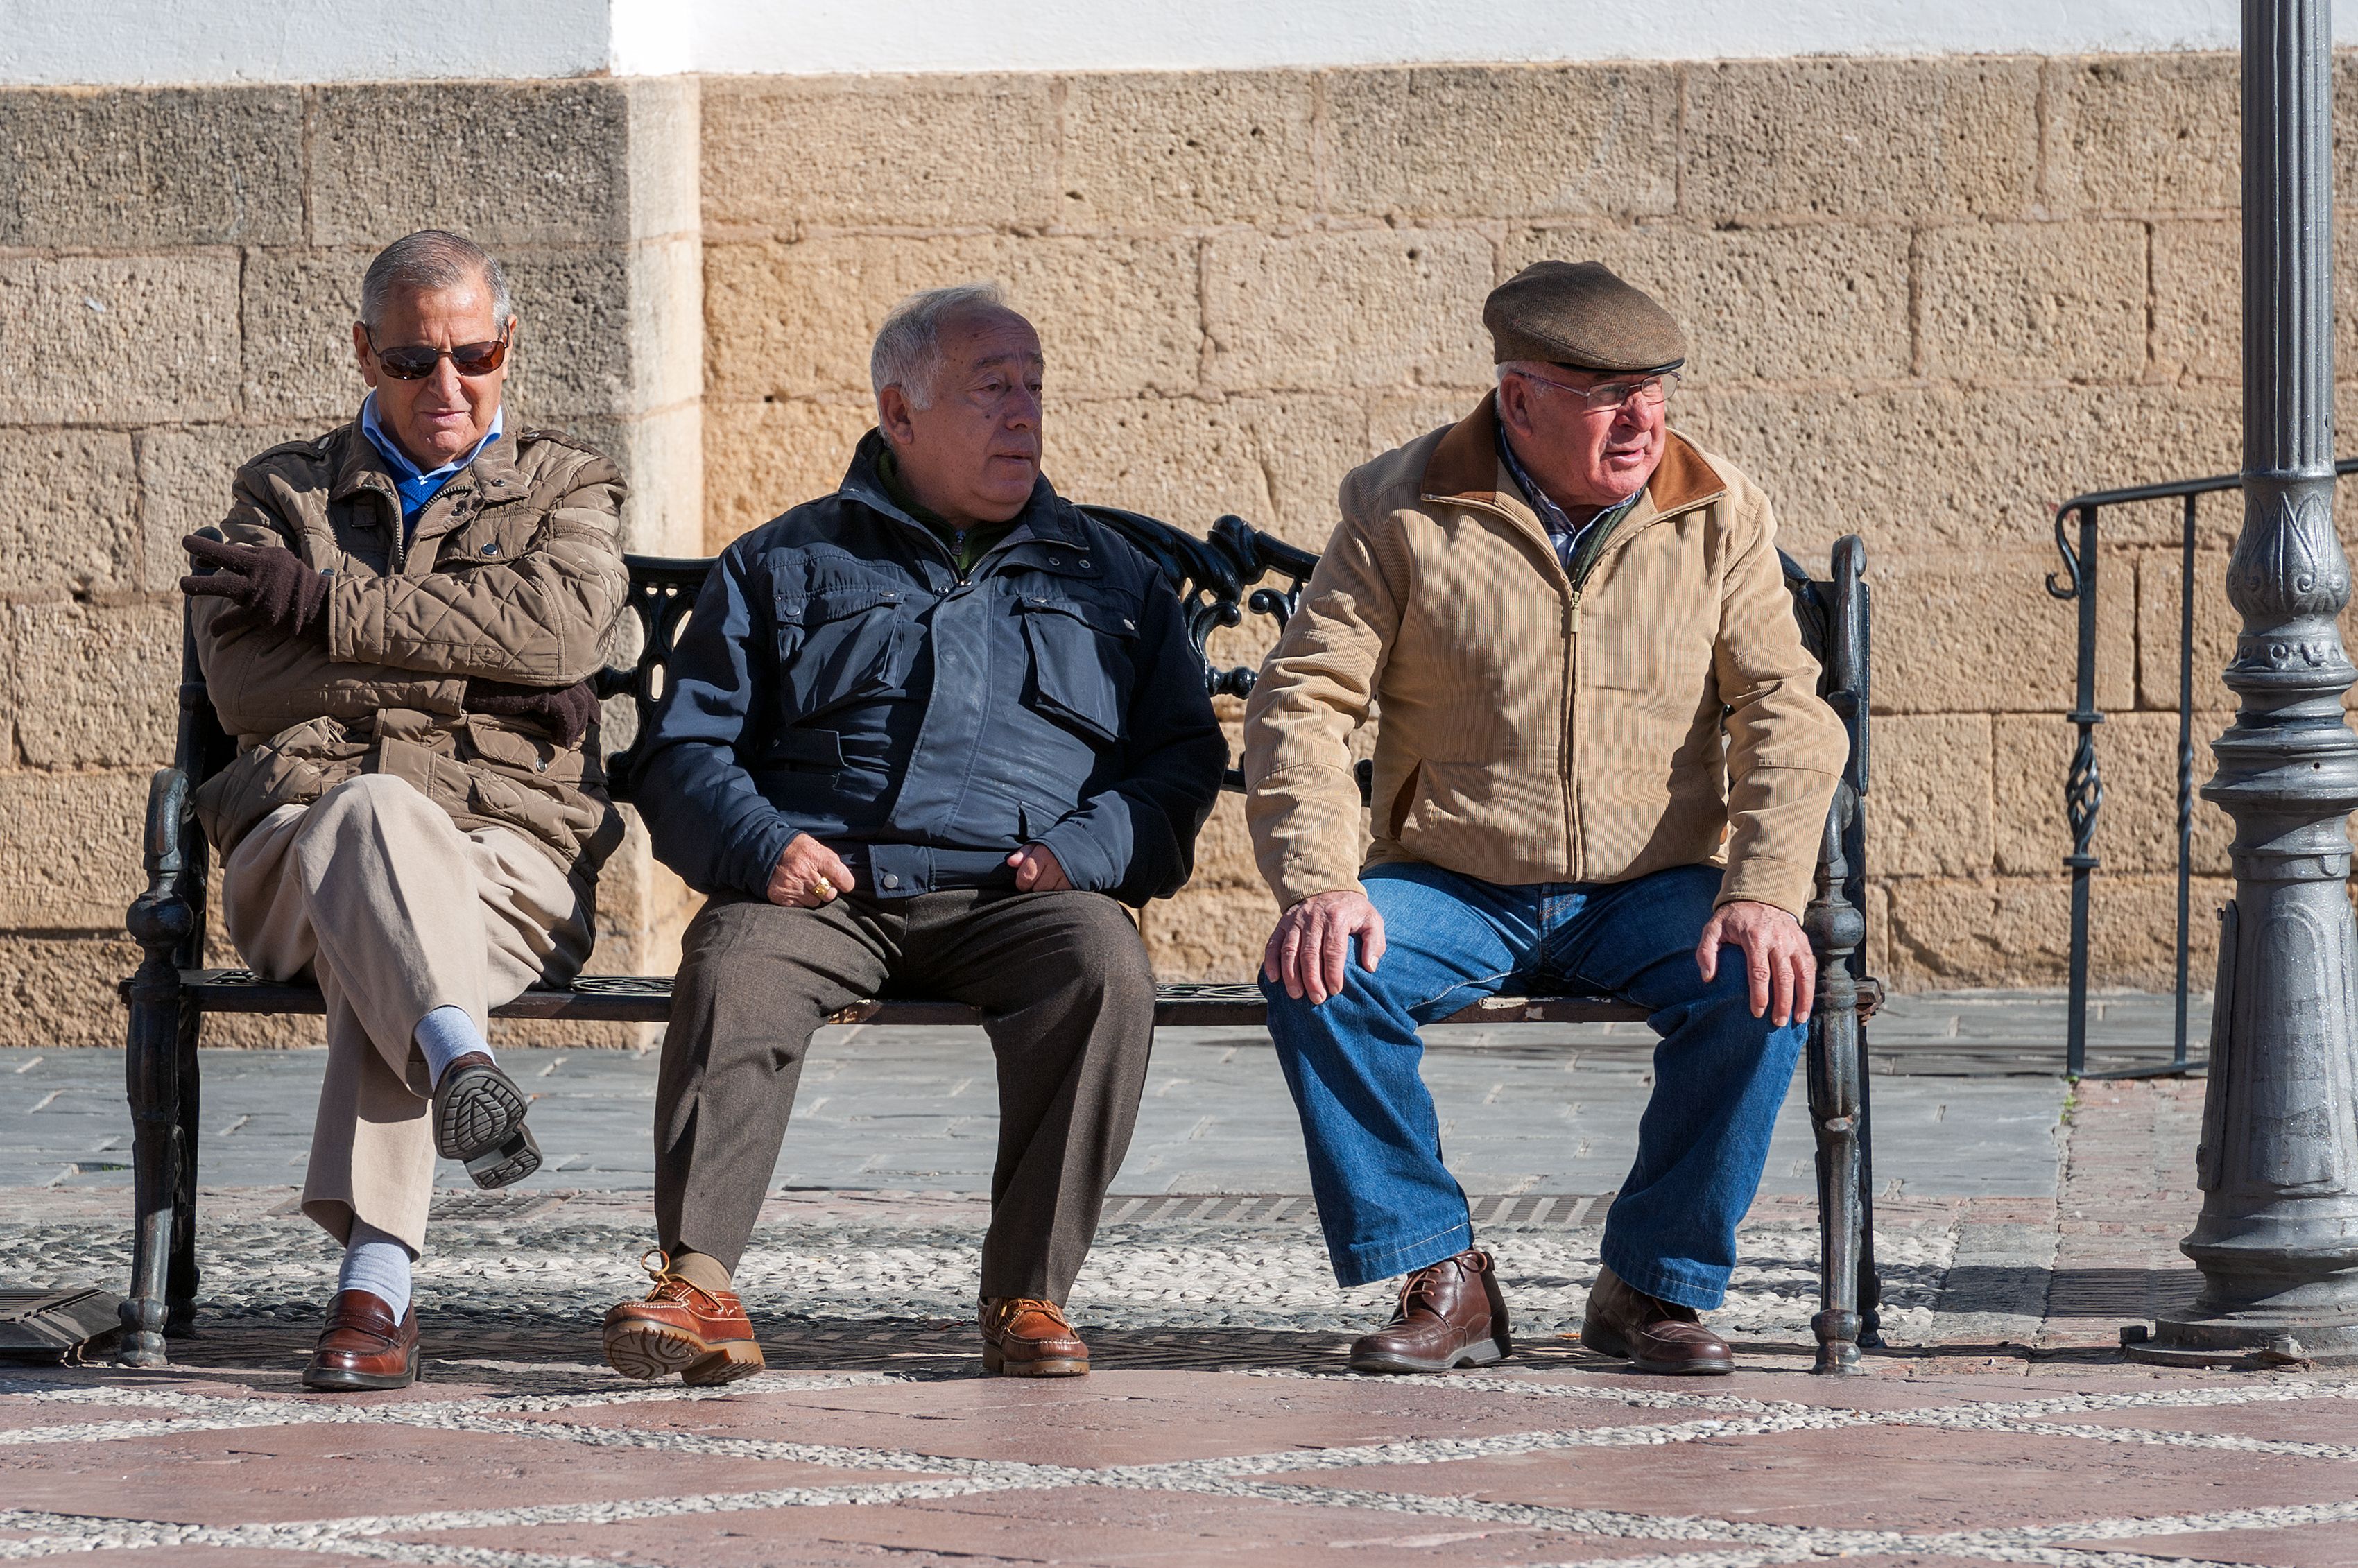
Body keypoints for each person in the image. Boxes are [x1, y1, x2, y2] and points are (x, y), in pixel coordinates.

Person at [601, 282, 1227, 1385]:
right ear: (900, 413)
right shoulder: (783, 562)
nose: (1024, 414)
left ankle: (1028, 1292)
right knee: (734, 958)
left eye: (1035, 388)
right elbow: (685, 753)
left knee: (1105, 964)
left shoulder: (1114, 581)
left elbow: (1180, 761)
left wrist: (1085, 853)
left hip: (1023, 896)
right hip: (825, 892)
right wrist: (762, 846)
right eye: (992, 390)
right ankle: (699, 1282)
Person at [1243, 260, 1848, 1377]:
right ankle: (1443, 1271)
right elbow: (1303, 697)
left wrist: (1764, 891)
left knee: (1764, 988)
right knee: (1316, 969)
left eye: (1656, 388)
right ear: (1517, 397)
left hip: (1653, 881)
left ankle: (1653, 1283)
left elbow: (1785, 712)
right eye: (1604, 392)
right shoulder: (1400, 504)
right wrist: (1321, 878)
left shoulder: (1718, 511)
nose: (1642, 417)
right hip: (1453, 878)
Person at [180, 229, 629, 1392]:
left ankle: (377, 1284)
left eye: (473, 356)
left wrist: (329, 608)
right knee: (369, 821)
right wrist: (484, 680)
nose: (447, 386)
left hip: (503, 859)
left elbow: (564, 632)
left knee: (386, 929)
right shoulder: (280, 494)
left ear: (508, 344)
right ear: (363, 354)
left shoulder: (566, 484)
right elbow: (247, 686)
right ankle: (461, 1063)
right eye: (412, 361)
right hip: (295, 840)